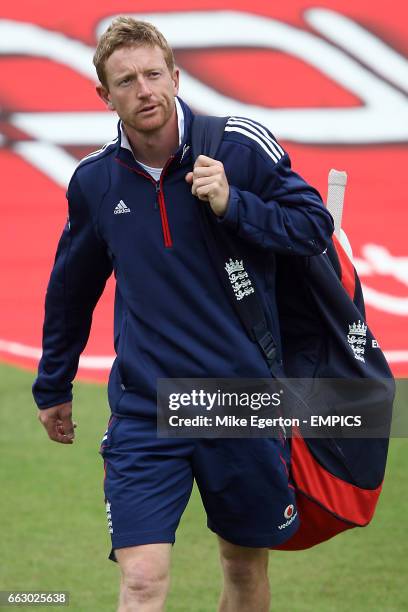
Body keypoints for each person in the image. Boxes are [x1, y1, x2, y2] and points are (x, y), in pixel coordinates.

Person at [33, 16, 334, 612]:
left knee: (242, 571)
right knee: (141, 579)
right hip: (147, 407)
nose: (144, 90)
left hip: (243, 398)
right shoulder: (94, 181)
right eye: (126, 81)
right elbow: (71, 288)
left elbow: (314, 228)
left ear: (175, 75)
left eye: (153, 74)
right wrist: (53, 384)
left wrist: (234, 203)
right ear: (105, 95)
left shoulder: (241, 146)